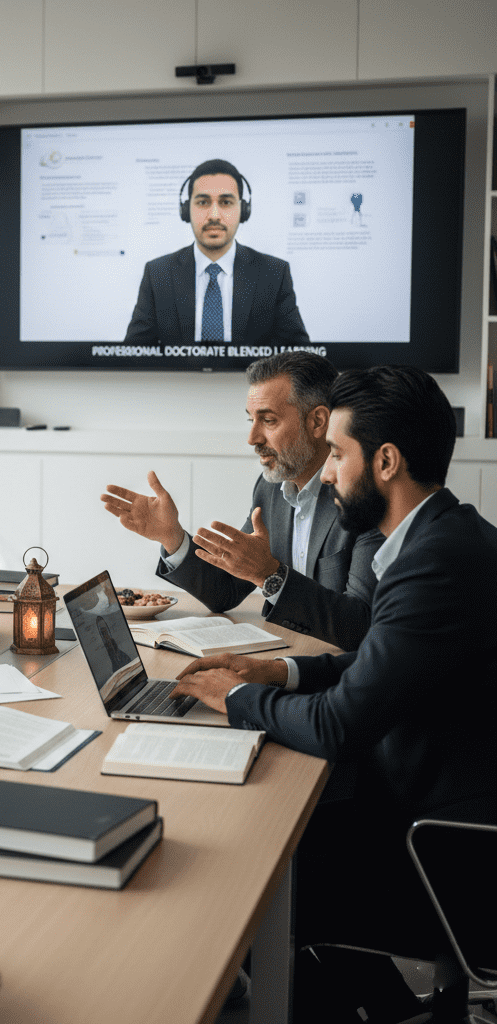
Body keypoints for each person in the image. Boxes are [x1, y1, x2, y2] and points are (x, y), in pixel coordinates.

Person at [173, 366, 497, 1021]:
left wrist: (231, 701)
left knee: (242, 869)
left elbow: (336, 727)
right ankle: (380, 1004)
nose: (327, 474)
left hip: (445, 855)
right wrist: (280, 674)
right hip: (441, 811)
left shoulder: (430, 563)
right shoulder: (450, 535)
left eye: (339, 456)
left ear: (385, 460)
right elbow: (378, 663)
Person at [101, 352, 382, 651]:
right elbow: (227, 589)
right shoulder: (271, 488)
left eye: (268, 420)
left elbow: (360, 625)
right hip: (289, 657)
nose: (251, 438)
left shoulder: (364, 493)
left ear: (317, 422)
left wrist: (270, 575)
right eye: (251, 420)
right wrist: (173, 538)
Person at [123, 159, 309, 348]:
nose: (213, 215)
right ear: (186, 210)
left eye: (226, 202)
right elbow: (132, 354)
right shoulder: (158, 274)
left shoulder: (274, 274)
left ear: (243, 210)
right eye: (203, 202)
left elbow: (299, 356)